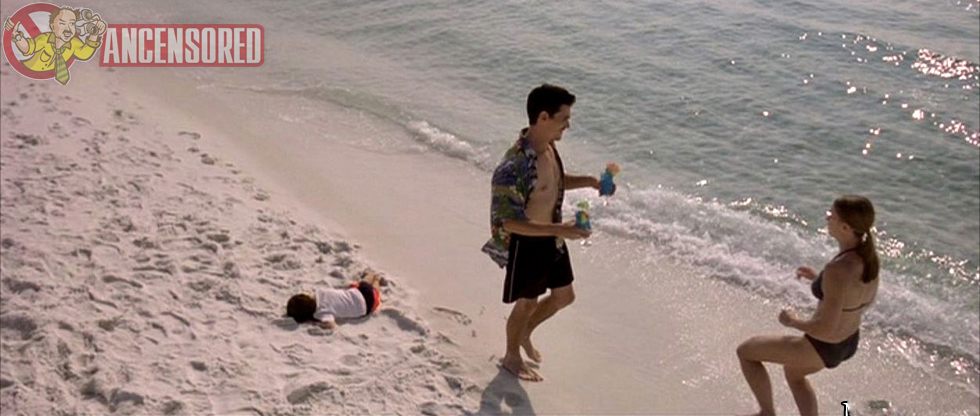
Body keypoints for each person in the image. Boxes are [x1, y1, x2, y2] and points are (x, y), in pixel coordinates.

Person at [481, 84, 601, 382]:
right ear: (544, 117)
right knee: (527, 303)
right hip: (527, 244)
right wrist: (562, 229)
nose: (568, 125)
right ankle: (511, 356)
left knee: (564, 296)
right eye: (564, 118)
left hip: (552, 238)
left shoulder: (548, 148)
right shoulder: (513, 166)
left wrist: (588, 181)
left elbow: (552, 183)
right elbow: (507, 221)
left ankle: (525, 333)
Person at [736, 195, 880, 416]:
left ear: (844, 227)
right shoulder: (867, 259)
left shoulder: (838, 270)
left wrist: (793, 321)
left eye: (831, 215)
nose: (827, 217)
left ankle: (767, 413)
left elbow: (825, 328)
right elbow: (858, 298)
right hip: (848, 342)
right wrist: (819, 280)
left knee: (746, 352)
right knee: (794, 374)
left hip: (822, 345)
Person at [4, 7, 107, 85]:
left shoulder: (74, 43)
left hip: (49, 85)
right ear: (52, 27)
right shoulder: (45, 39)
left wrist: (95, 33)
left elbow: (84, 53)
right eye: (62, 23)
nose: (68, 29)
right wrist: (17, 37)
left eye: (72, 24)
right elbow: (28, 48)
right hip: (26, 77)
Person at [286, 271, 384, 330]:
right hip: (356, 291)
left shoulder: (322, 313)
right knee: (364, 284)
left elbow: (332, 326)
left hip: (366, 304)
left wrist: (318, 324)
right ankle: (372, 275)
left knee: (376, 293)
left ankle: (377, 280)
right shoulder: (320, 292)